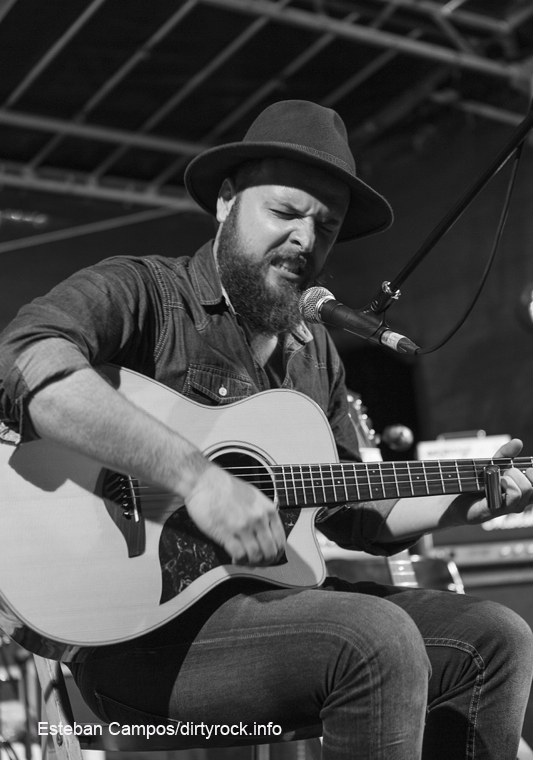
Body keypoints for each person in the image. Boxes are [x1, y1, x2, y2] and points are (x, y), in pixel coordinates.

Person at [0, 99, 532, 760]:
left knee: (494, 635)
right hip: (133, 641)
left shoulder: (315, 355)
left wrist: (470, 498)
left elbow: (352, 512)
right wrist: (195, 479)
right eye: (283, 212)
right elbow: (31, 363)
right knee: (373, 636)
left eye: (325, 226)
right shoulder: (142, 292)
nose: (305, 240)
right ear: (226, 201)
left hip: (278, 613)